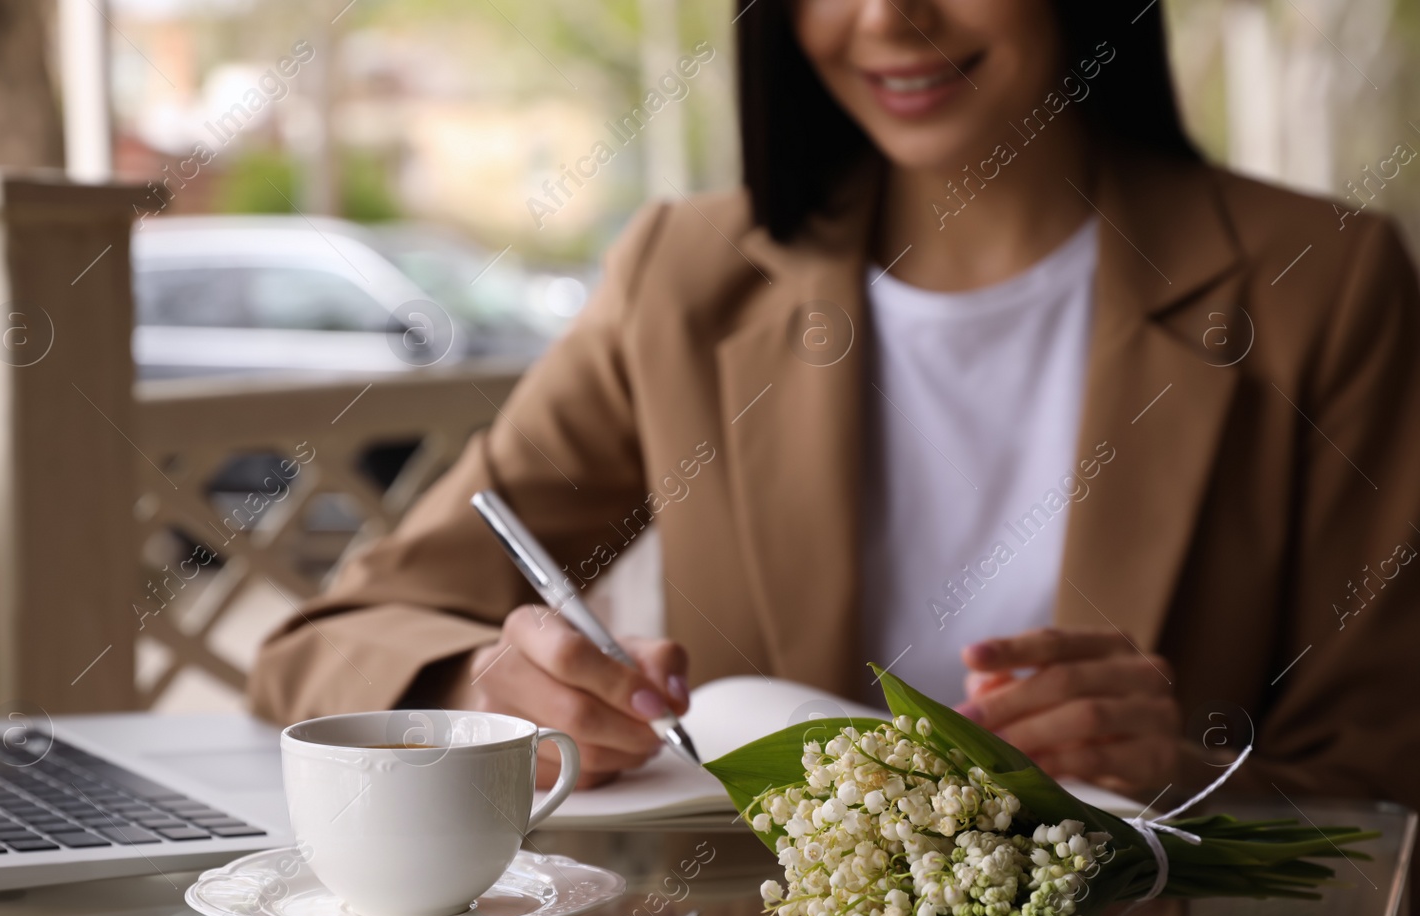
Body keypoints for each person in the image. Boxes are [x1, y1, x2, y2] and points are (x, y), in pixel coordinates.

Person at [249, 0, 1420, 805]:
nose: (885, 17)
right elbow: (327, 641)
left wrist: (1180, 768)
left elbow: (1386, 757)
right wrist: (485, 696)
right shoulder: (685, 279)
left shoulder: (1323, 281)